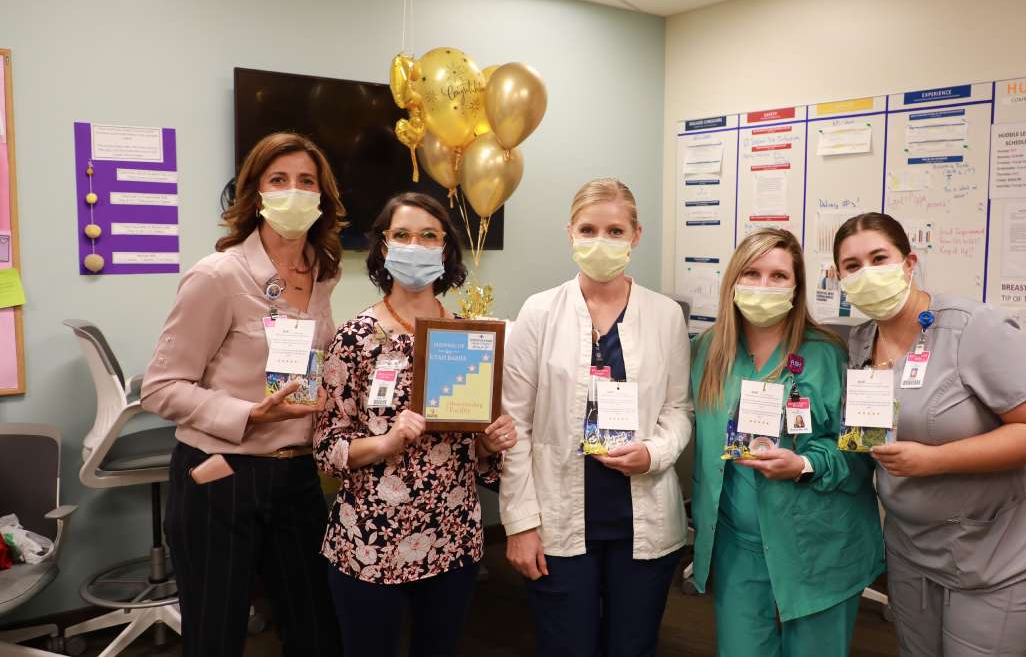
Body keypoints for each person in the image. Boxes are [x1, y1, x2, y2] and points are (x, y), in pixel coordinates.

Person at [142, 132, 344, 656]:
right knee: (216, 636)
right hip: (222, 474)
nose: (294, 191)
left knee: (316, 631)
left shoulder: (322, 274)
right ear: (255, 194)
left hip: (297, 474)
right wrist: (246, 414)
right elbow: (160, 388)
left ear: (322, 198)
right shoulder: (217, 276)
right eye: (279, 180)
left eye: (307, 181)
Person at [833, 212, 1026, 657]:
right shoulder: (861, 343)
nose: (867, 273)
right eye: (852, 266)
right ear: (840, 277)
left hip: (999, 551)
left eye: (878, 257)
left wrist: (934, 459)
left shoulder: (975, 328)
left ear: (909, 262)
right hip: (912, 549)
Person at [313, 193, 517, 657]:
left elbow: (479, 456)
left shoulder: (469, 338)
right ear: (383, 247)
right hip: (371, 541)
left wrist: (489, 443)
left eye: (429, 235)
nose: (415, 245)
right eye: (402, 235)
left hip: (452, 538)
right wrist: (385, 442)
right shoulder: (356, 337)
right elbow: (327, 448)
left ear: (445, 250)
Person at [500, 178, 692, 657]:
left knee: (633, 647)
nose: (600, 241)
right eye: (588, 229)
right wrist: (520, 525)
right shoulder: (539, 312)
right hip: (559, 525)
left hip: (641, 525)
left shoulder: (665, 315)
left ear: (636, 235)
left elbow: (678, 410)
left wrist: (654, 451)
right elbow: (514, 425)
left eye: (614, 230)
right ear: (570, 233)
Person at [690, 228, 884, 657]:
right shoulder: (707, 352)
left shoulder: (829, 354)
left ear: (796, 287)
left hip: (819, 544)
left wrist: (802, 464)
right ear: (732, 281)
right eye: (752, 273)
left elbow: (861, 451)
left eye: (778, 276)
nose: (763, 285)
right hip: (738, 545)